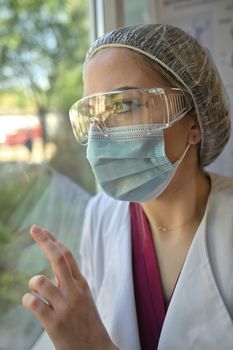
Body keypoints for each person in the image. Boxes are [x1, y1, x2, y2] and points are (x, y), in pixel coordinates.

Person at [22, 24, 233, 350]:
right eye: (92, 112)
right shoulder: (101, 214)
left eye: (124, 105)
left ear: (194, 121)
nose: (100, 133)